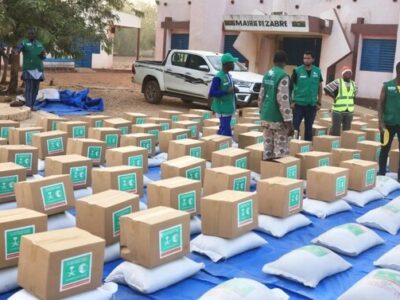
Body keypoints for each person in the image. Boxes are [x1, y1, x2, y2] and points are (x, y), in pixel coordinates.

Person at [259, 50, 294, 161]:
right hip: (278, 119)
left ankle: (268, 173)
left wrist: (262, 112)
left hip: (266, 117)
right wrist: (289, 123)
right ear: (285, 62)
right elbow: (283, 100)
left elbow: (261, 96)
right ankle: (277, 175)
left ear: (274, 61)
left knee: (268, 149)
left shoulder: (268, 74)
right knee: (280, 152)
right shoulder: (283, 76)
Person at [291, 51, 323, 141]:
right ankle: (294, 145)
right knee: (295, 126)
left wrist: (319, 102)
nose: (306, 60)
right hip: (298, 105)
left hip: (311, 105)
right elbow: (290, 87)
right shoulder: (297, 70)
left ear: (313, 59)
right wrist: (292, 101)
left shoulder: (317, 71)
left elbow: (320, 87)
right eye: (304, 58)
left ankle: (307, 147)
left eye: (308, 58)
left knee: (309, 128)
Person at [14, 28, 46, 111]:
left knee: (35, 89)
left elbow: (43, 57)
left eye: (32, 34)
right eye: (29, 34)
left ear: (35, 35)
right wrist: (16, 51)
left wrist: (43, 55)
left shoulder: (40, 44)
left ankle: (32, 105)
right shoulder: (24, 43)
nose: (31, 35)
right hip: (29, 68)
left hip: (38, 69)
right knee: (29, 88)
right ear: (28, 35)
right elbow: (18, 48)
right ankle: (28, 106)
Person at [378, 62, 400, 179]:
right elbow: (380, 104)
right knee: (385, 149)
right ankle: (381, 173)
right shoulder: (387, 86)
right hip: (388, 124)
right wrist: (380, 122)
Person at [209, 53, 238, 136]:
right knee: (226, 134)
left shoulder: (228, 75)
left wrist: (234, 90)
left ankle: (215, 145)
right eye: (232, 63)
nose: (234, 65)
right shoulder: (218, 77)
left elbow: (229, 89)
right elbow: (212, 92)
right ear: (227, 64)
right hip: (222, 109)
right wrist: (227, 92)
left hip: (228, 108)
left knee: (222, 131)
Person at [324, 66, 358, 136]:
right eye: (346, 73)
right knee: (335, 130)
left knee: (347, 132)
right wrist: (334, 97)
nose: (348, 74)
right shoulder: (338, 82)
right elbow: (326, 88)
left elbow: (354, 95)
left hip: (349, 111)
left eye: (349, 73)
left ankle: (343, 145)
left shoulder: (354, 84)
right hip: (338, 110)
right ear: (343, 74)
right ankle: (331, 143)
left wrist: (353, 104)